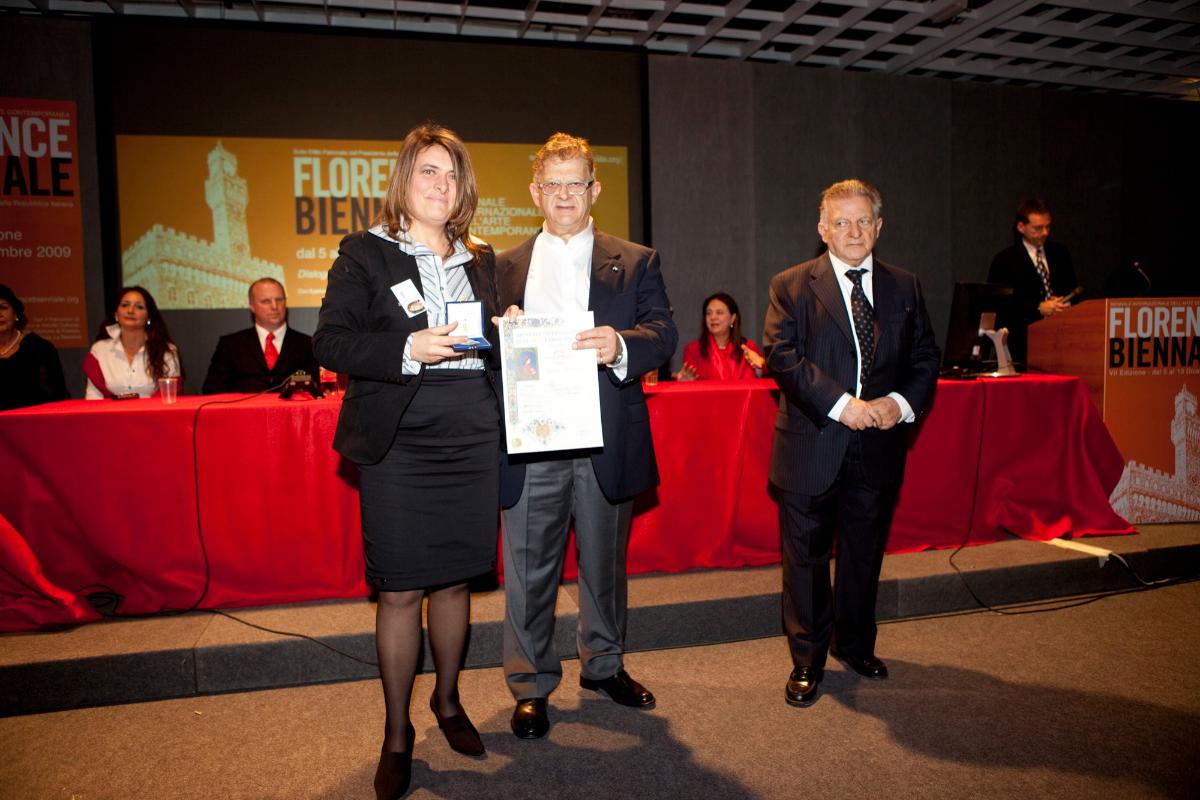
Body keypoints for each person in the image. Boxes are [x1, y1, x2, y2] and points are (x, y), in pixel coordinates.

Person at [312, 124, 500, 800]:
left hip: (471, 429)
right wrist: (406, 350)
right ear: (404, 180)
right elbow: (329, 343)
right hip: (400, 436)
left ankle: (447, 700)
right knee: (398, 589)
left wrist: (511, 334)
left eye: (451, 174)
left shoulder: (483, 259)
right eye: (428, 171)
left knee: (453, 583)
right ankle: (397, 732)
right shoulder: (365, 252)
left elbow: (497, 342)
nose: (440, 185)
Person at [495, 132, 677, 740]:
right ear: (535, 192)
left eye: (576, 182)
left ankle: (603, 666)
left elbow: (664, 334)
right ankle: (530, 684)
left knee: (604, 566)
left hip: (605, 438)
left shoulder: (638, 259)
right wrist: (502, 332)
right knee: (529, 569)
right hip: (531, 440)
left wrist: (620, 344)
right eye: (554, 184)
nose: (565, 194)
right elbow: (480, 348)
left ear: (594, 189)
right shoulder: (501, 266)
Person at [762, 179, 939, 708]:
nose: (854, 231)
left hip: (879, 445)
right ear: (823, 229)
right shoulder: (791, 285)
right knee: (806, 561)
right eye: (842, 222)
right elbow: (782, 357)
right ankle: (807, 660)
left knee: (864, 554)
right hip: (811, 445)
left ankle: (855, 644)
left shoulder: (905, 286)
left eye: (863, 221)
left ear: (879, 227)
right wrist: (845, 406)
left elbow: (925, 357)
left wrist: (899, 404)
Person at [987, 198, 1078, 363]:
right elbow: (1000, 307)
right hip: (1023, 346)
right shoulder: (1005, 260)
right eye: (1038, 228)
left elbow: (1073, 290)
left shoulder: (1060, 253)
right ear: (1021, 227)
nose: (1045, 233)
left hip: (1061, 341)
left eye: (1048, 226)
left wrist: (1065, 304)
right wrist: (1038, 308)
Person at [201, 277, 320, 393]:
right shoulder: (230, 345)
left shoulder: (308, 344)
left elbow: (317, 389)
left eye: (279, 300)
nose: (274, 306)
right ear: (252, 306)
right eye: (266, 301)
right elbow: (212, 390)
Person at [83, 286, 180, 399]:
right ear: (116, 315)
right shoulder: (99, 350)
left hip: (153, 410)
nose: (130, 311)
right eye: (125, 305)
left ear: (148, 317)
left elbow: (169, 397)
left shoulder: (166, 350)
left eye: (139, 307)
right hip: (110, 411)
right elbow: (93, 398)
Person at [0, 284, 68, 410]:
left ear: (15, 313)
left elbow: (58, 397)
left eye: (3, 307)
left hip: (33, 420)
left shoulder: (40, 349)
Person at [674, 292, 766, 380]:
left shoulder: (748, 348)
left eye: (719, 312)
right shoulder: (693, 350)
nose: (713, 317)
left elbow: (764, 379)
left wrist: (761, 366)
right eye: (709, 313)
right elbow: (690, 384)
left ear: (732, 318)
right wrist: (685, 383)